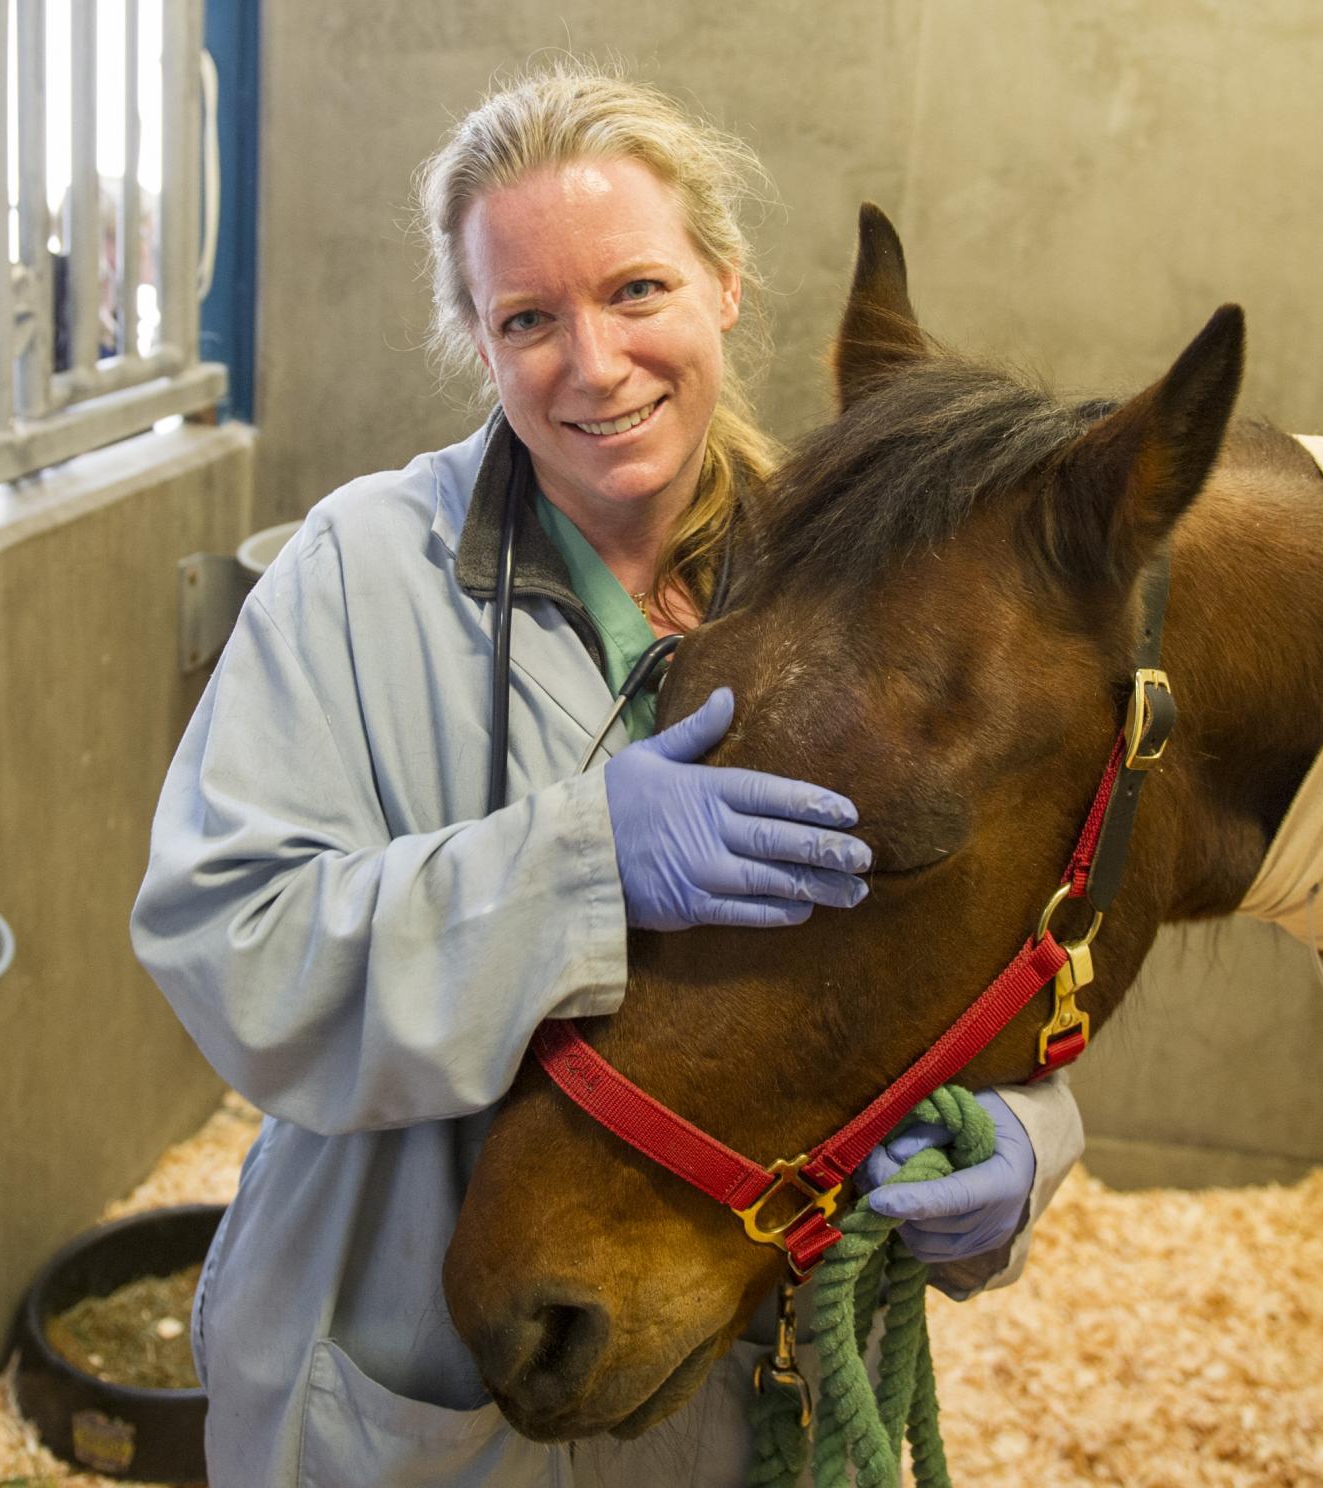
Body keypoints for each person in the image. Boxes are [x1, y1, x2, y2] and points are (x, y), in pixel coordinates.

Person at [130, 64, 1082, 1487]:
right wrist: (577, 868)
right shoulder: (356, 575)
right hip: (403, 1374)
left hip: (733, 1370)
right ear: (478, 342)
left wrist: (1031, 1130)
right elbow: (232, 950)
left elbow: (982, 934)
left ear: (725, 288)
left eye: (637, 291)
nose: (592, 363)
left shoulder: (861, 594)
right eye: (528, 319)